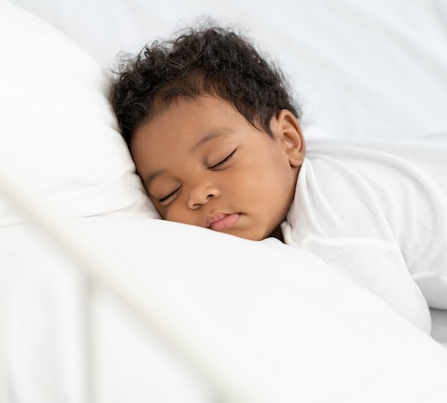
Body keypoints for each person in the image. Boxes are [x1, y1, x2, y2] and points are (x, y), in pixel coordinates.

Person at [109, 22, 447, 334]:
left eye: (221, 159)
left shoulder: (327, 222)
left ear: (289, 140)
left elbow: (404, 329)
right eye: (168, 193)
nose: (198, 194)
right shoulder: (289, 159)